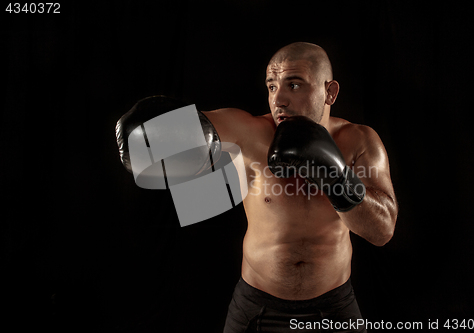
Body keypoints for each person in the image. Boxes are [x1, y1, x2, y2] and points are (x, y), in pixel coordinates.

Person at [116, 42, 398, 332]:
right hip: (257, 307)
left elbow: (382, 232)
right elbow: (149, 142)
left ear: (330, 92)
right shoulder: (250, 134)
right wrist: (154, 135)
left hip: (334, 307)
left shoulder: (359, 141)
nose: (279, 100)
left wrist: (334, 175)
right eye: (272, 86)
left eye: (294, 85)